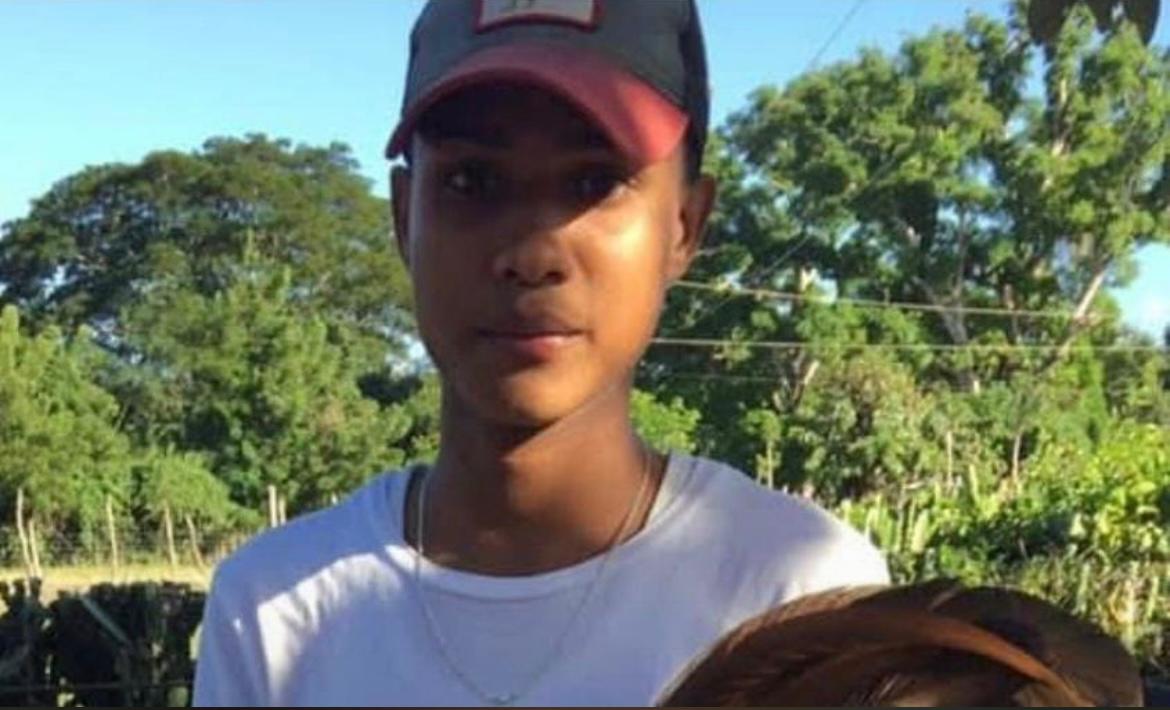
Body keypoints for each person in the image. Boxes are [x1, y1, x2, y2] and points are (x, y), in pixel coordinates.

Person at [192, 1, 889, 706]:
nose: (530, 254)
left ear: (685, 224)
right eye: (472, 181)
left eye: (595, 181)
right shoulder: (274, 611)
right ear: (404, 217)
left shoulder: (798, 595)